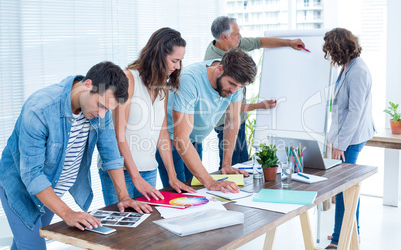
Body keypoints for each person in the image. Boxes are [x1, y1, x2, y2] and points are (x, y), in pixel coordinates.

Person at [0, 61, 152, 250]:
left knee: (26, 243)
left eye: (108, 110)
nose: (103, 115)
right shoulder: (39, 109)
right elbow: (32, 174)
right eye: (101, 105)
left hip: (53, 188)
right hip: (20, 188)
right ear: (87, 85)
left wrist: (124, 197)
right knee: (33, 246)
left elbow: (110, 153)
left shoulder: (99, 112)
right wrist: (68, 213)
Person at [98, 28, 195, 206]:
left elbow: (163, 134)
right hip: (121, 172)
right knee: (122, 229)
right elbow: (118, 135)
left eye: (180, 61)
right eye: (174, 61)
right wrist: (135, 178)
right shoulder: (128, 79)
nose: (178, 67)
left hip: (149, 170)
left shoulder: (162, 88)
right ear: (158, 55)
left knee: (146, 226)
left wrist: (172, 177)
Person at [205, 16, 305, 168]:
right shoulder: (217, 64)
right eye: (236, 34)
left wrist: (289, 43)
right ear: (224, 37)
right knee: (231, 164)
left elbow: (260, 42)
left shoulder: (231, 45)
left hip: (238, 119)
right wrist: (259, 106)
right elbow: (229, 106)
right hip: (226, 121)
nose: (240, 37)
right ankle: (227, 188)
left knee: (242, 163)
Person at [156, 48, 257, 192]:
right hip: (170, 139)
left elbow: (232, 121)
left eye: (240, 87)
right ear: (220, 69)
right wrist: (211, 182)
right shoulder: (189, 79)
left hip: (195, 140)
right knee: (181, 192)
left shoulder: (235, 82)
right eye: (232, 84)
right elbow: (181, 138)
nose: (234, 91)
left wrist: (226, 164)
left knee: (198, 188)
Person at [323, 28, 375, 250]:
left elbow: (355, 111)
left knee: (345, 188)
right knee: (348, 187)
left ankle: (338, 240)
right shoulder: (347, 67)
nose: (330, 56)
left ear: (339, 49)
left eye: (331, 50)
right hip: (344, 135)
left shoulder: (358, 71)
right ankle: (353, 231)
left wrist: (340, 145)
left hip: (351, 138)